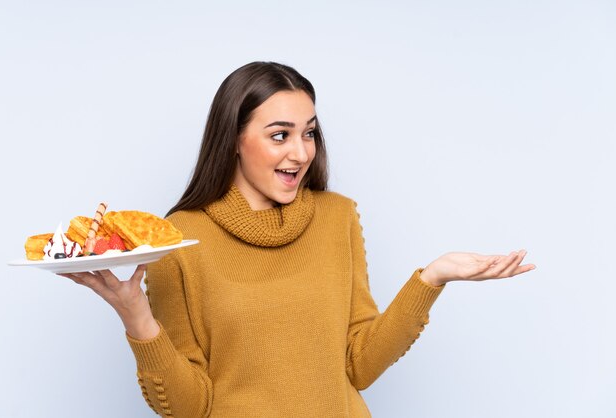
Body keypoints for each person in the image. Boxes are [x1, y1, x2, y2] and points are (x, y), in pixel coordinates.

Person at [59, 61, 536, 418]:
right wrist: (135, 316)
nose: (300, 152)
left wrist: (432, 279)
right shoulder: (181, 238)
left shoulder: (338, 218)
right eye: (279, 135)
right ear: (233, 139)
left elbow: (359, 365)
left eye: (308, 133)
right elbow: (188, 406)